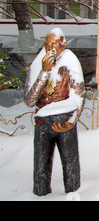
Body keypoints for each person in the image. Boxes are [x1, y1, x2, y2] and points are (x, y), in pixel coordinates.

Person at [24, 28, 85, 196]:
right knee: (40, 166)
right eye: (48, 44)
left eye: (55, 44)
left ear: (63, 44)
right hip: (43, 122)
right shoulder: (39, 62)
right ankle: (40, 193)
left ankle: (73, 194)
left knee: (70, 163)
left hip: (64, 121)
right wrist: (44, 72)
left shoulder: (70, 61)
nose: (51, 48)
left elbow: (78, 96)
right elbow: (29, 100)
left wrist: (71, 120)